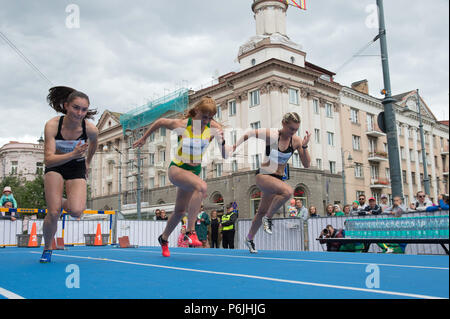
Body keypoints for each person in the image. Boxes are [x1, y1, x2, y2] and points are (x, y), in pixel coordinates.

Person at [133, 96, 231, 257]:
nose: (207, 120)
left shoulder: (214, 128)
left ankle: (163, 238)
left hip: (194, 171)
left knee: (179, 211)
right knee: (202, 187)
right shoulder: (181, 125)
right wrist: (144, 138)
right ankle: (191, 231)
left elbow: (225, 155)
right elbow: (160, 122)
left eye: (210, 117)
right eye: (204, 116)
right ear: (197, 111)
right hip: (177, 169)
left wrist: (223, 141)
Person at [232, 112, 311, 254]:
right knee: (287, 192)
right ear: (283, 124)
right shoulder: (272, 135)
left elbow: (306, 165)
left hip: (277, 179)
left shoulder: (296, 141)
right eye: (291, 129)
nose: (293, 132)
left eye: (296, 129)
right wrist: (235, 146)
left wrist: (304, 148)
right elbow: (249, 133)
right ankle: (268, 218)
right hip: (264, 175)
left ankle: (249, 238)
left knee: (260, 211)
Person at [40, 86, 98, 263]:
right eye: (75, 107)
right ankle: (48, 247)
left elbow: (94, 145)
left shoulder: (90, 129)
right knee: (54, 212)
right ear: (66, 106)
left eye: (84, 109)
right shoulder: (52, 125)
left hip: (76, 166)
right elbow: (49, 160)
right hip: (56, 164)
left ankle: (57, 201)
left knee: (76, 210)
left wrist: (87, 162)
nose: (79, 113)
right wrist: (73, 153)